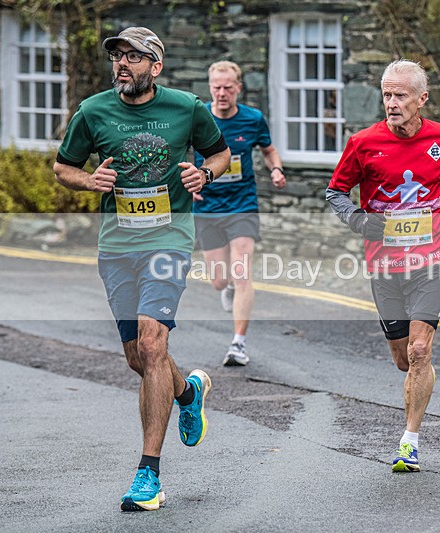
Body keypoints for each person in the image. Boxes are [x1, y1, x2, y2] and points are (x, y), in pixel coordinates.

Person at [53, 27, 231, 511]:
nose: (123, 64)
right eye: (118, 57)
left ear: (156, 66)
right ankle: (187, 391)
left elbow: (221, 152)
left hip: (168, 241)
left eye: (135, 57)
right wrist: (91, 181)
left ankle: (148, 475)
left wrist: (206, 172)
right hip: (117, 247)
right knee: (138, 357)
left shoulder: (187, 108)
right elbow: (62, 167)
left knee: (154, 343)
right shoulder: (93, 112)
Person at [326, 59, 440, 473]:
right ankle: (418, 378)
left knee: (418, 349)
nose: (392, 103)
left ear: (421, 99)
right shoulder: (363, 142)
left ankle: (409, 442)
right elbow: (335, 193)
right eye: (387, 95)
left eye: (400, 96)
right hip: (385, 265)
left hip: (432, 257)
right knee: (402, 358)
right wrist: (359, 220)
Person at [193, 60, 287, 367]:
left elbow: (269, 149)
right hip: (207, 205)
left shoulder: (252, 119)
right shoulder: (198, 117)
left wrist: (276, 169)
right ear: (210, 88)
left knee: (242, 272)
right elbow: (177, 152)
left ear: (238, 88)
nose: (222, 93)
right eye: (216, 88)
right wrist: (187, 184)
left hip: (242, 204)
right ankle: (228, 286)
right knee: (220, 281)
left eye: (228, 88)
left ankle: (238, 344)